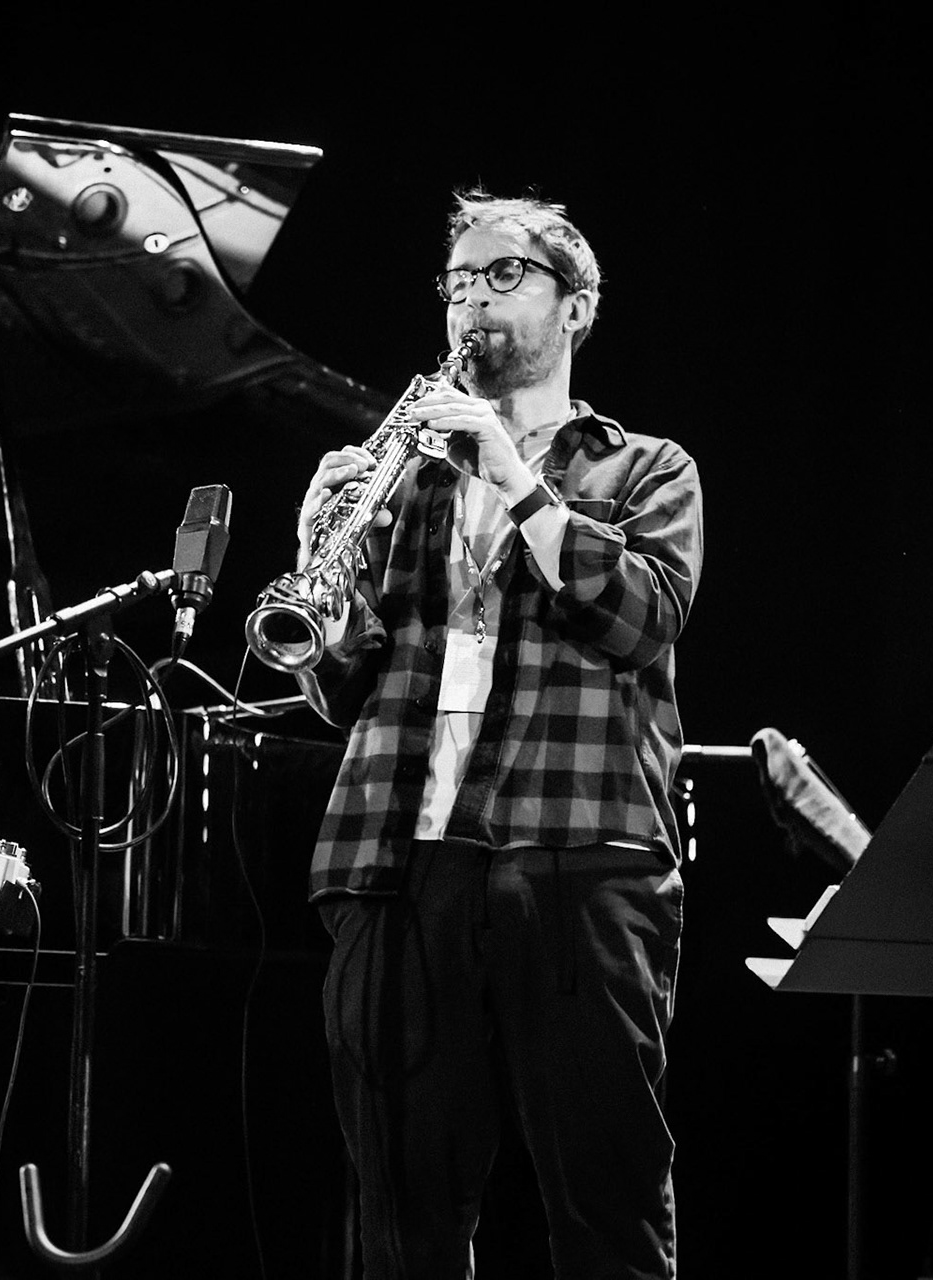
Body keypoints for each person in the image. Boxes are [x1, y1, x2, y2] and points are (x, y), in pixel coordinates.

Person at [294, 192, 702, 1278]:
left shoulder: (645, 468)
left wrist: (516, 482)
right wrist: (321, 562)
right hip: (400, 857)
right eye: (458, 282)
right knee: (400, 1213)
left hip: (575, 855)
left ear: (577, 306)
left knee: (606, 1199)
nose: (472, 298)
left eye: (503, 274)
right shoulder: (410, 479)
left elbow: (642, 618)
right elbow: (342, 690)